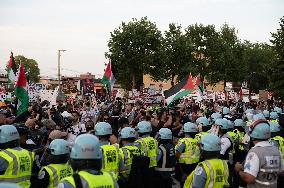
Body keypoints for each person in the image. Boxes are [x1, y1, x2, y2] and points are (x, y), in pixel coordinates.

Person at [235, 119, 283, 187]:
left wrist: (238, 170)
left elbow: (249, 178)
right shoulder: (276, 150)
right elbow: (281, 171)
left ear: (253, 136)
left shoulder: (254, 152)